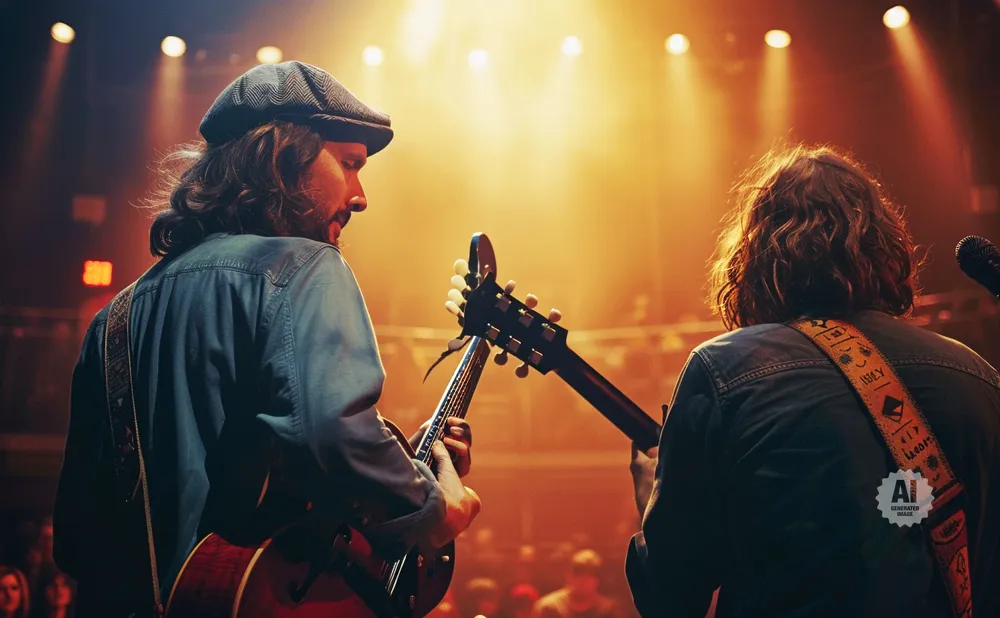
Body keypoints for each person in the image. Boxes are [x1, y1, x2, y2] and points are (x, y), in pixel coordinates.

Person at [52, 61, 482, 616]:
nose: (360, 196)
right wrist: (430, 505)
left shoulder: (110, 321)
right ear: (286, 160)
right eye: (350, 165)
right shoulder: (303, 267)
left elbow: (73, 536)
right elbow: (333, 434)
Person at [626, 144, 1000, 617]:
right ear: (886, 247)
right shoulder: (976, 376)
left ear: (759, 257)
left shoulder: (726, 370)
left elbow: (672, 598)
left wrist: (650, 510)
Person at [532, 550, 620, 618]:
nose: (583, 579)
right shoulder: (549, 608)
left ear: (597, 580)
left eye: (590, 575)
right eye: (578, 573)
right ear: (568, 576)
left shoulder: (608, 611)